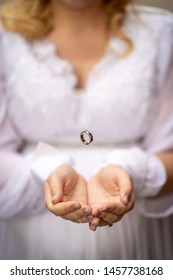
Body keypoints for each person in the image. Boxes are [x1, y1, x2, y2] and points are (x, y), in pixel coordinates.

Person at [0, 0, 173, 260]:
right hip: (28, 238)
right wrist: (46, 170)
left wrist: (131, 171)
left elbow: (168, 148)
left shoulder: (162, 32)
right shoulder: (5, 35)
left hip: (139, 239)